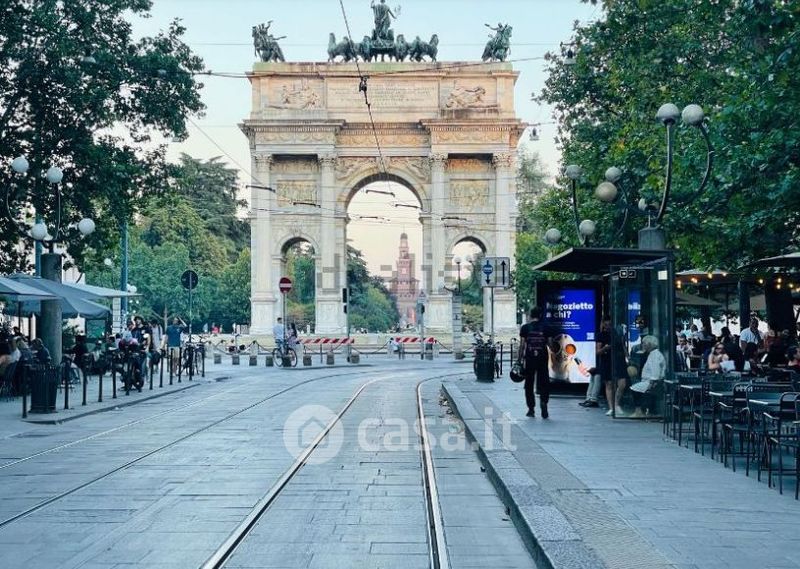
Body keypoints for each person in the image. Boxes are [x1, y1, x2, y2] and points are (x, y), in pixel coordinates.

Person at [518, 306, 554, 419]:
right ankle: (544, 402)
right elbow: (550, 345)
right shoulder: (546, 327)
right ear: (540, 315)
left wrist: (519, 360)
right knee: (544, 382)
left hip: (530, 359)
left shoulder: (525, 328)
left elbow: (522, 346)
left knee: (529, 383)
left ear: (530, 315)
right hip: (542, 358)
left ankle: (531, 408)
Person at [629, 335, 666, 418]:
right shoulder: (653, 354)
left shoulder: (655, 355)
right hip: (649, 381)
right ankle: (642, 410)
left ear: (649, 344)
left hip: (652, 382)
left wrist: (652, 383)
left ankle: (638, 411)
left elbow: (655, 371)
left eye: (644, 343)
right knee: (636, 387)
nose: (643, 345)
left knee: (634, 389)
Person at [581, 319, 610, 408]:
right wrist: (605, 348)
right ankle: (592, 399)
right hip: (602, 360)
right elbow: (598, 351)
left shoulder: (601, 335)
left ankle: (590, 398)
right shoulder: (602, 335)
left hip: (599, 360)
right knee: (596, 377)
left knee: (595, 377)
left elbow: (597, 350)